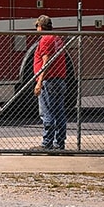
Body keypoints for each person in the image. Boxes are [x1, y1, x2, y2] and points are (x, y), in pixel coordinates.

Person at [33, 15, 67, 150]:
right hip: (59, 79)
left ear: (40, 27)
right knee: (59, 112)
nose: (36, 29)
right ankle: (59, 142)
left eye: (37, 26)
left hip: (49, 80)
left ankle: (47, 143)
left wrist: (39, 82)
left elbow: (46, 61)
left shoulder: (46, 39)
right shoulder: (57, 38)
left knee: (47, 113)